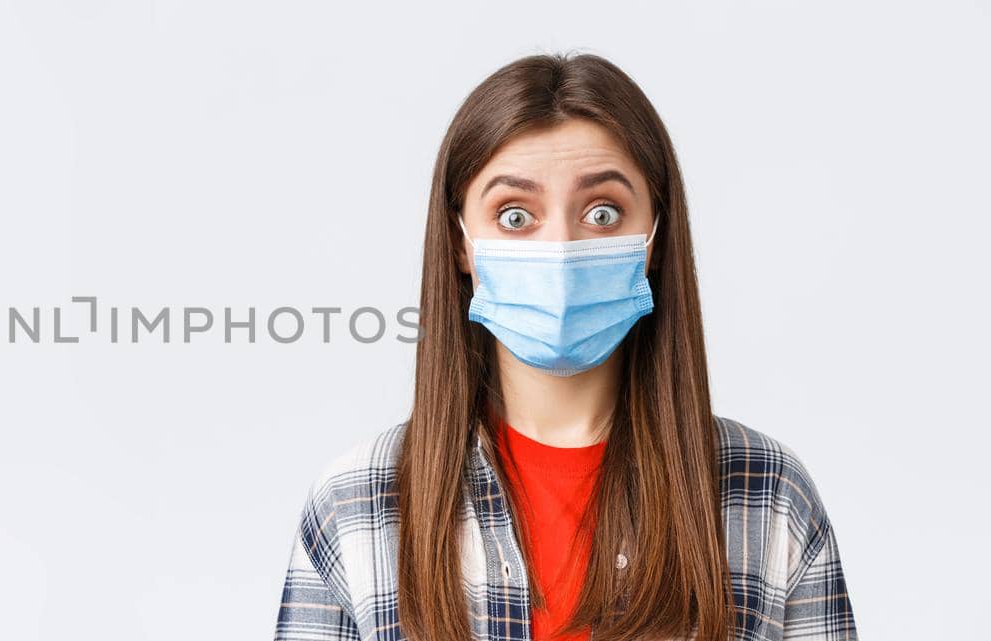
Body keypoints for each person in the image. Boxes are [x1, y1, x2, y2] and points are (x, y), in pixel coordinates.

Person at [271, 53, 857, 641]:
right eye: (515, 215)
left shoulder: (767, 494)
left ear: (654, 236)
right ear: (460, 244)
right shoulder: (358, 503)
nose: (560, 250)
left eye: (602, 213)